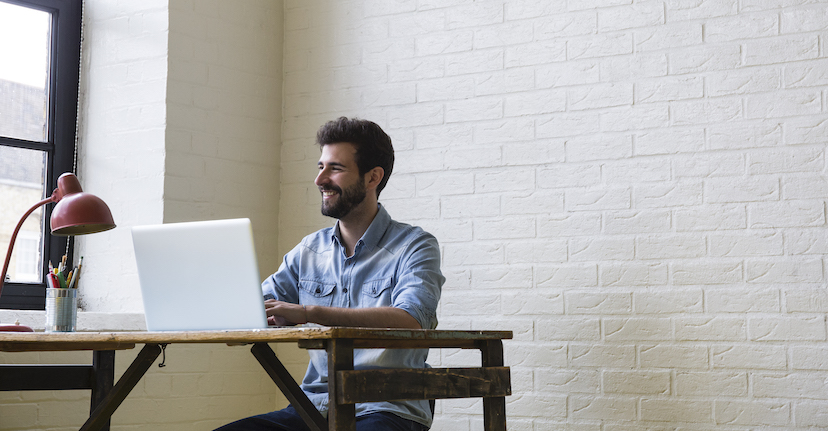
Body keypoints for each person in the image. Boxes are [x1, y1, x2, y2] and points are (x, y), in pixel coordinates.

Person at [215, 117, 444, 431]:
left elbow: (412, 320)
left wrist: (309, 312)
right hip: (311, 407)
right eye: (320, 166)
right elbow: (253, 309)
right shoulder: (309, 250)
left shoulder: (415, 245)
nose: (319, 179)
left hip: (386, 408)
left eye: (335, 168)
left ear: (372, 177)